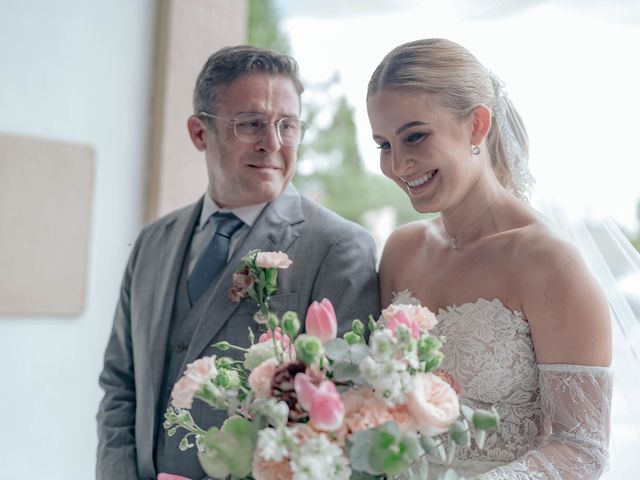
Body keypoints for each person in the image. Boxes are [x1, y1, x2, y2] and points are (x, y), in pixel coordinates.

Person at [96, 45, 380, 480]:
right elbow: (120, 384)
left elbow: (342, 416)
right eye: (252, 124)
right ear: (199, 132)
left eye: (288, 125)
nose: (273, 143)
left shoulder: (339, 247)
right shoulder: (152, 243)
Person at [367, 38, 612, 479]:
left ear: (477, 124)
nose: (400, 164)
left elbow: (582, 449)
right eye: (384, 145)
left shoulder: (548, 261)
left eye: (415, 136)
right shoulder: (400, 250)